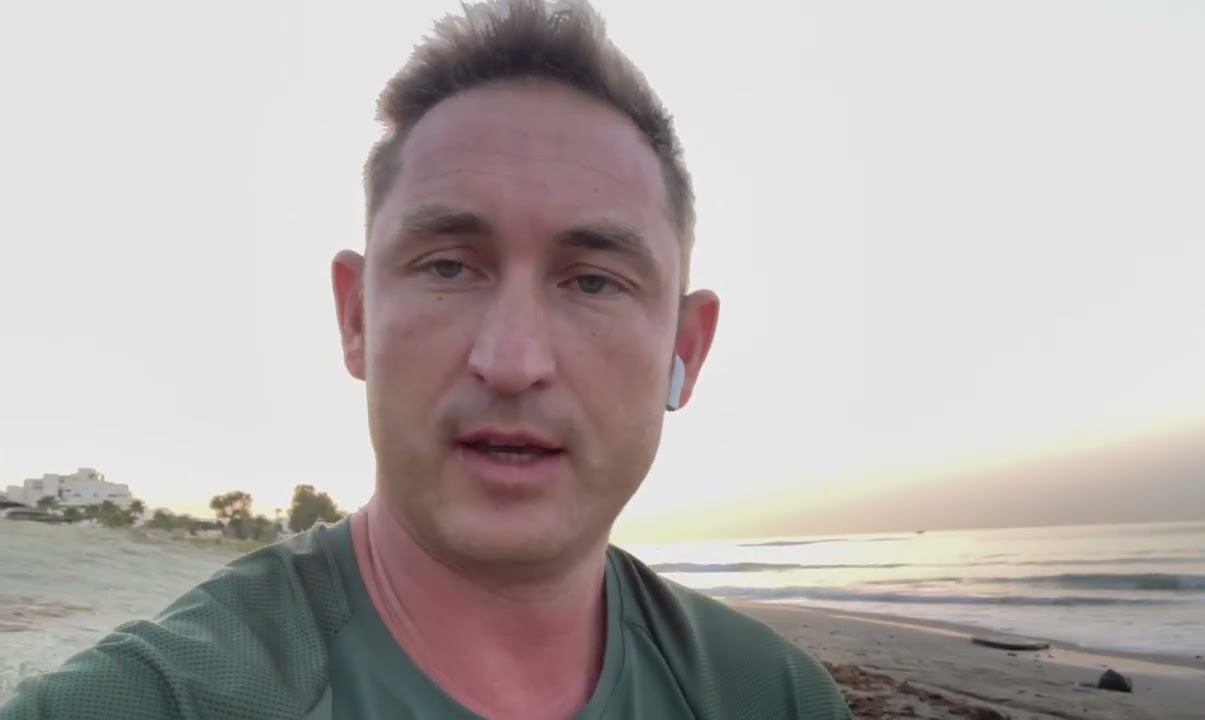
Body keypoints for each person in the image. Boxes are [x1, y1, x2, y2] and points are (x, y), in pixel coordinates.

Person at [1, 1, 849, 718]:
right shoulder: (157, 699)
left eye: (593, 281)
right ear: (356, 317)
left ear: (685, 350)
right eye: (448, 267)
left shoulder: (779, 699)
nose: (512, 362)